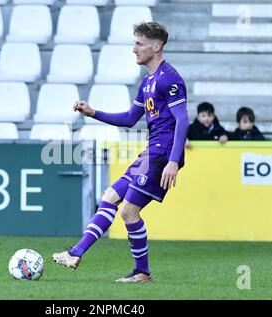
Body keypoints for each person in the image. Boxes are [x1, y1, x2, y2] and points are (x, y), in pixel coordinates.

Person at [52, 22, 190, 283]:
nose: (133, 49)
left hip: (161, 155)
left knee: (128, 211)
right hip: (151, 152)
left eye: (139, 44)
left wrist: (173, 161)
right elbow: (129, 118)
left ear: (156, 46)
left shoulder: (169, 78)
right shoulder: (148, 81)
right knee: (111, 195)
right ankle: (76, 253)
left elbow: (182, 120)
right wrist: (93, 113)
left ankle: (142, 272)